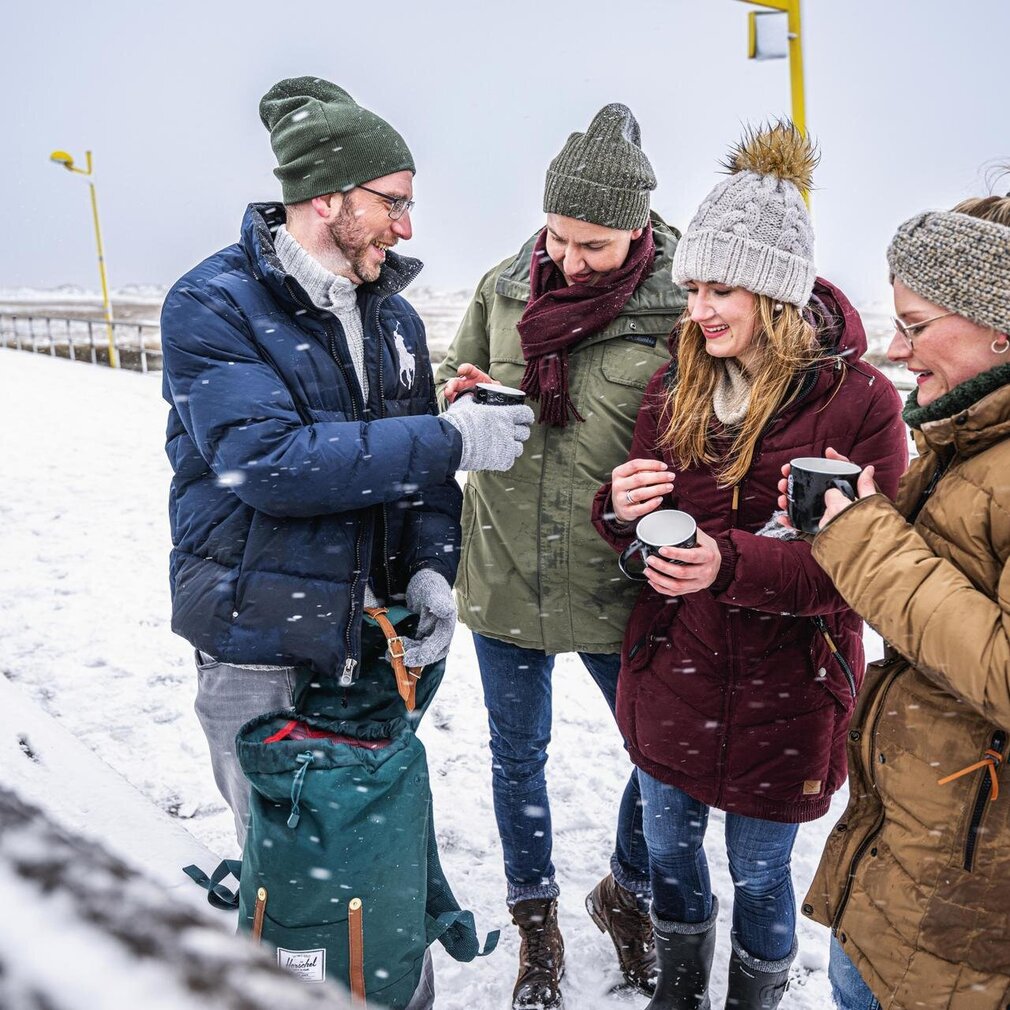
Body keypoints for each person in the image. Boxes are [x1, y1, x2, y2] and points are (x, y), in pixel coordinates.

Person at [160, 76, 533, 1010]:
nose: (406, 227)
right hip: (259, 645)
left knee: (378, 866)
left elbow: (421, 482)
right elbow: (267, 465)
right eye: (393, 202)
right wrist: (450, 437)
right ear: (327, 198)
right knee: (292, 886)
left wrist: (432, 570)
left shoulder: (393, 316)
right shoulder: (214, 303)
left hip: (369, 648)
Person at [591, 122, 908, 1010]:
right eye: (693, 287)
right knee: (670, 852)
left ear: (774, 291)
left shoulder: (860, 401)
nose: (699, 310)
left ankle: (752, 999)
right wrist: (620, 511)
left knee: (762, 874)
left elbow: (863, 568)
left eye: (720, 289)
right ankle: (679, 992)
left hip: (791, 687)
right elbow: (641, 533)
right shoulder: (674, 384)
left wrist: (727, 565)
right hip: (675, 668)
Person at [434, 103, 686, 1008]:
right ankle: (535, 924)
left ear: (639, 230)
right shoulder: (503, 289)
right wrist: (462, 393)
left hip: (617, 579)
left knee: (664, 755)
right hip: (504, 567)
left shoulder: (683, 307)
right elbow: (453, 373)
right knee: (516, 758)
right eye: (559, 237)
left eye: (595, 246)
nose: (571, 260)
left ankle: (628, 891)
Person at [794, 190, 1010, 1009]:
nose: (895, 347)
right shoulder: (969, 433)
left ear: (1000, 326)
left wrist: (864, 539)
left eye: (915, 325)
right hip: (920, 871)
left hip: (967, 920)